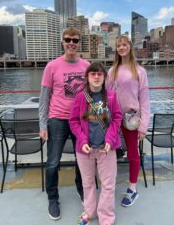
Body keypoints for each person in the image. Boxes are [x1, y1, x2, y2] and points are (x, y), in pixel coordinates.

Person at [39, 27, 90, 220]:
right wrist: (43, 125)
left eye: (75, 40)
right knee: (53, 162)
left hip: (80, 120)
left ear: (79, 43)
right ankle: (53, 198)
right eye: (68, 39)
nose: (71, 43)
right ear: (62, 41)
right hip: (57, 120)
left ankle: (82, 189)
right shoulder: (52, 66)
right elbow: (44, 98)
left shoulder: (86, 65)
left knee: (83, 159)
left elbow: (93, 94)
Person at [69, 62, 122, 225]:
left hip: (106, 149)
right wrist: (82, 139)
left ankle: (106, 217)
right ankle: (89, 212)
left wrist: (110, 139)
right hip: (85, 150)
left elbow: (117, 119)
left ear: (105, 77)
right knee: (87, 182)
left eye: (100, 74)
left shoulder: (112, 96)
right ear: (87, 77)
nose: (97, 77)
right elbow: (73, 121)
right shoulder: (80, 97)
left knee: (108, 184)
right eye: (93, 74)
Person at [106, 35, 150, 207]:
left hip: (132, 118)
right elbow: (108, 96)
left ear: (130, 47)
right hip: (114, 117)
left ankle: (133, 188)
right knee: (109, 151)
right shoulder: (112, 71)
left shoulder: (140, 71)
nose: (121, 47)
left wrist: (143, 126)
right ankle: (109, 185)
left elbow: (144, 100)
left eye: (124, 44)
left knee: (133, 153)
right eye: (118, 45)